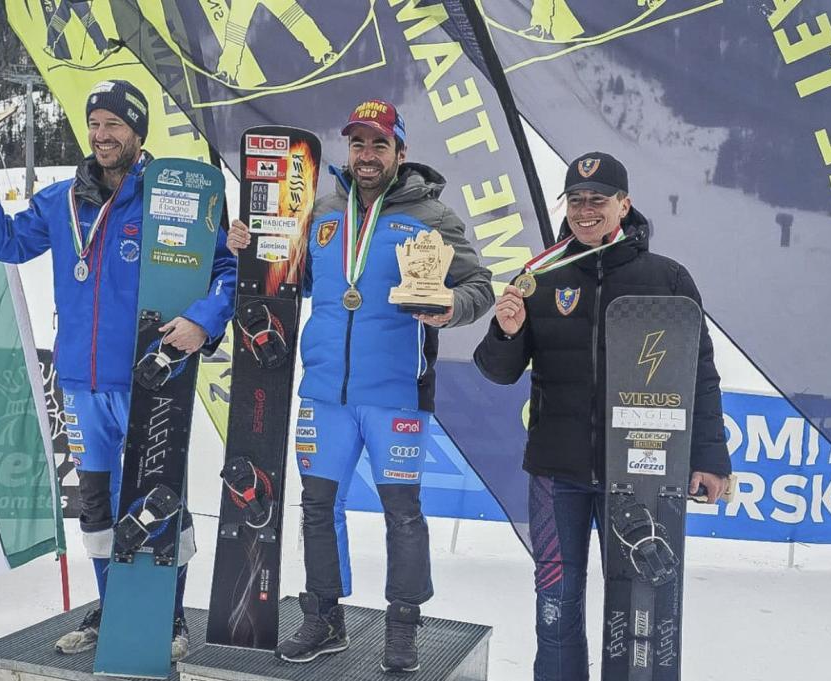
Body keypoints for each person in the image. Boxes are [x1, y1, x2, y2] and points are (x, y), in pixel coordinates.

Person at [0, 80, 236, 659]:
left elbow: (224, 270)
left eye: (114, 125)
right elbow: (6, 242)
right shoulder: (60, 201)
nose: (102, 136)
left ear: (137, 132)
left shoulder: (173, 196)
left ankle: (169, 616)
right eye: (94, 124)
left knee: (156, 498)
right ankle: (113, 609)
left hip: (151, 379)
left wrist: (202, 321)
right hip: (80, 381)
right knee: (98, 508)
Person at [227, 100, 493, 673]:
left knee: (403, 512)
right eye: (358, 144)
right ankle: (324, 617)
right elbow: (285, 278)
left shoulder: (433, 216)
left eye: (379, 144)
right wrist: (250, 246)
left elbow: (479, 285)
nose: (367, 155)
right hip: (324, 392)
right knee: (318, 507)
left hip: (397, 392)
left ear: (401, 152)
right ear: (348, 150)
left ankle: (403, 626)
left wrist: (451, 307)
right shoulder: (322, 211)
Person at [472, 152, 731, 681]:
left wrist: (709, 456)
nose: (585, 210)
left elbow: (700, 377)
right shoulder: (539, 276)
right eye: (576, 200)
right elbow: (498, 371)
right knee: (556, 608)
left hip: (640, 476)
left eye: (599, 199)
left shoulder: (667, 278)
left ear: (624, 204)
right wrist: (505, 330)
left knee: (642, 608)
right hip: (555, 472)